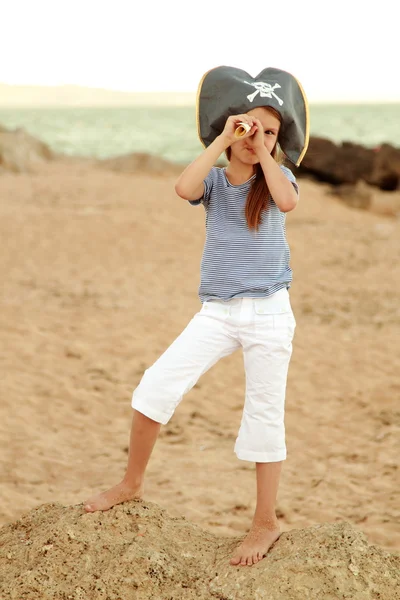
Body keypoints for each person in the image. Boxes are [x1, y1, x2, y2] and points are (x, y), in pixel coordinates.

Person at [83, 66, 309, 568]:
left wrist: (268, 155)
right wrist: (224, 139)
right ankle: (131, 482)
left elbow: (289, 202)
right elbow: (183, 188)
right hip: (218, 312)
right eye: (252, 127)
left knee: (264, 415)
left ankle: (265, 521)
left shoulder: (278, 179)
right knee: (155, 386)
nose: (260, 138)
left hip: (270, 312)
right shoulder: (213, 180)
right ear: (232, 130)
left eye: (272, 132)